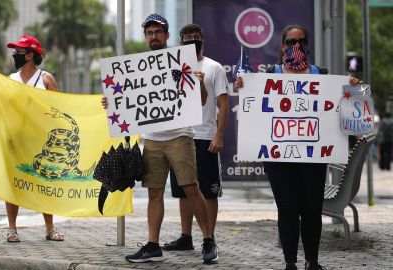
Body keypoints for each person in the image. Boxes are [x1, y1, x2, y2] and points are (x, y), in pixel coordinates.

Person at [234, 25, 362, 270]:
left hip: (313, 156)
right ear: (282, 45)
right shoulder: (270, 74)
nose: (296, 46)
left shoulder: (321, 75)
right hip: (278, 157)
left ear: (308, 44)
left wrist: (352, 89)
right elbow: (252, 105)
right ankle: (290, 263)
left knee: (312, 210)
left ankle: (312, 261)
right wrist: (242, 85)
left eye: (301, 41)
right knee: (287, 209)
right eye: (291, 41)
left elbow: (338, 111)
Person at [101, 14, 217, 264]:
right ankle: (153, 245)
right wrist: (110, 103)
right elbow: (125, 100)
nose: (154, 36)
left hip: (180, 136)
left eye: (158, 32)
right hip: (152, 138)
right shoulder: (136, 67)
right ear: (146, 37)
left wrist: (200, 85)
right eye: (149, 33)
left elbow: (203, 100)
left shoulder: (181, 62)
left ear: (166, 36)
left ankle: (208, 239)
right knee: (155, 191)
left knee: (190, 187)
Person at [0, 35, 64, 243]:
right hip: (15, 142)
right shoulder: (10, 80)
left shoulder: (46, 79)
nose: (14, 56)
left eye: (18, 52)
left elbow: (58, 109)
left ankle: (49, 229)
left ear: (29, 55)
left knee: (45, 183)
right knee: (14, 184)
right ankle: (12, 229)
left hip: (40, 143)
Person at [162, 24, 229, 253]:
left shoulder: (214, 67)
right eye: (187, 38)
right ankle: (186, 236)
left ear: (203, 41)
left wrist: (218, 136)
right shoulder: (172, 67)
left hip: (204, 136)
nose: (192, 41)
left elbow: (224, 103)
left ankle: (208, 239)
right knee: (183, 190)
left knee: (208, 192)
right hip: (180, 136)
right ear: (180, 42)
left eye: (196, 37)